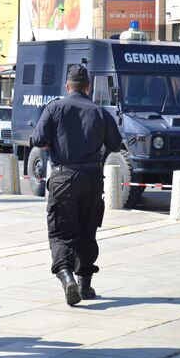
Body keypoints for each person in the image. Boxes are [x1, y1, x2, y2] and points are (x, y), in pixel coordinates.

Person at [31, 65, 122, 306]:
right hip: (92, 179)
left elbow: (38, 139)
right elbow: (115, 143)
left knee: (61, 233)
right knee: (87, 232)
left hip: (63, 177)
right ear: (88, 87)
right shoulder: (100, 111)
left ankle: (66, 276)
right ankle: (85, 285)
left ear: (67, 86)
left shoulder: (54, 108)